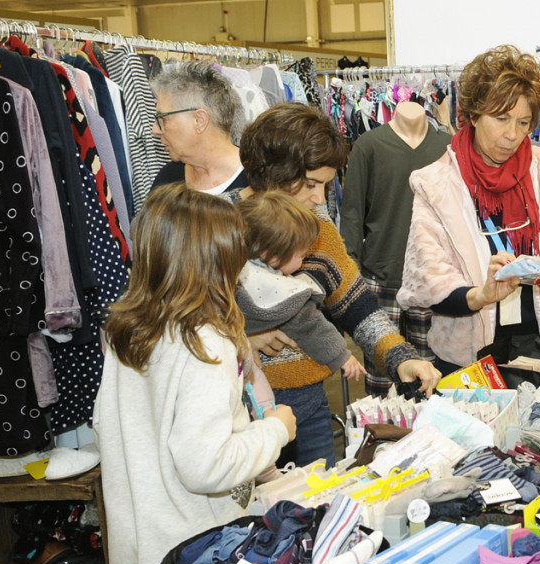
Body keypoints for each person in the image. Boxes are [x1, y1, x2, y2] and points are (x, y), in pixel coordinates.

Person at [93, 184, 297, 564]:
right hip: (195, 555)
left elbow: (108, 429)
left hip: (143, 546)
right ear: (214, 262)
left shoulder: (132, 330)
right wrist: (275, 431)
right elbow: (206, 466)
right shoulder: (203, 343)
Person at [227, 102, 442, 467]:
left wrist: (400, 357)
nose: (318, 198)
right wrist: (239, 341)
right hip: (240, 413)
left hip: (310, 407)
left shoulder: (318, 227)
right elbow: (180, 325)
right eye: (310, 184)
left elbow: (356, 305)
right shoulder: (219, 228)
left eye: (326, 185)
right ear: (270, 173)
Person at [397, 45, 540, 373]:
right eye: (500, 119)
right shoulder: (436, 184)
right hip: (468, 361)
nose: (512, 135)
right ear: (473, 114)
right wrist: (481, 295)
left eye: (523, 122)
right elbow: (430, 280)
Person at [339, 100, 451, 396]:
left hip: (430, 276)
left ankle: (427, 438)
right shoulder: (369, 146)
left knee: (428, 376)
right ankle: (381, 437)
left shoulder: (447, 147)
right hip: (380, 273)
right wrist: (349, 273)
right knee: (381, 377)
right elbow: (351, 213)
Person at [238, 190, 367, 382]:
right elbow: (310, 325)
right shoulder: (281, 292)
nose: (304, 260)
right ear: (272, 255)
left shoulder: (230, 269)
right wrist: (342, 356)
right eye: (301, 255)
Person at [150, 61, 248, 194]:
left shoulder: (259, 182)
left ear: (199, 121)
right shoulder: (168, 177)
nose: (154, 130)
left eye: (163, 119)